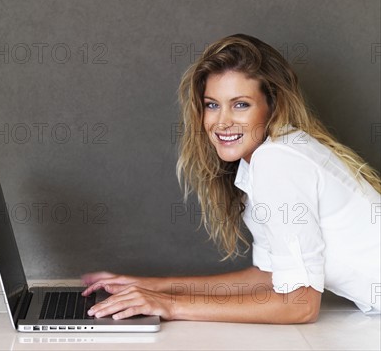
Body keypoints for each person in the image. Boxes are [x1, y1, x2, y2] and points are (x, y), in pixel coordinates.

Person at [81, 34, 381, 324]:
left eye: (240, 104)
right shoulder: (269, 156)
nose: (222, 121)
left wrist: (169, 305)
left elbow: (300, 305)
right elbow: (270, 277)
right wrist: (153, 287)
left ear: (272, 105)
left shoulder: (277, 161)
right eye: (212, 104)